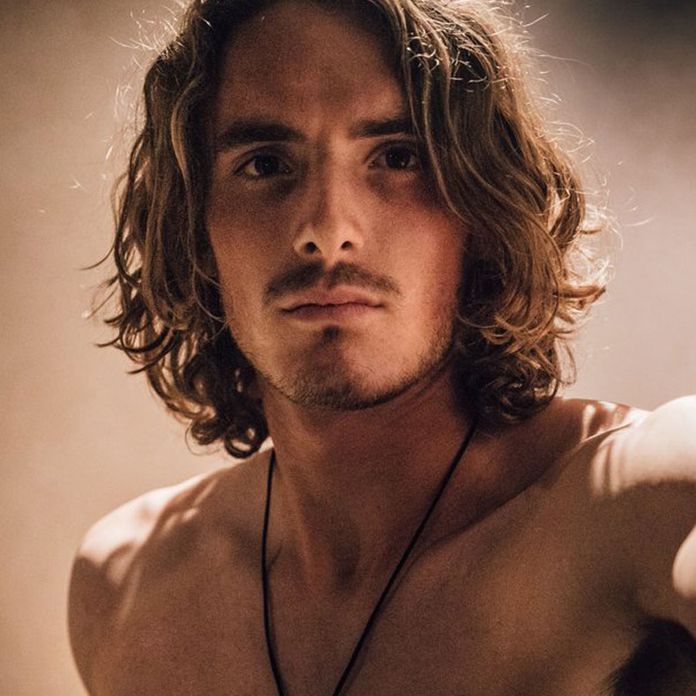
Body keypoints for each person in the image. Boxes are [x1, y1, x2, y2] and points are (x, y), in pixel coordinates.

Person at [68, 0, 696, 694]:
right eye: (266, 163)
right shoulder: (126, 587)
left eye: (397, 157)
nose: (326, 229)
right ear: (195, 230)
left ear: (482, 211)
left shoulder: (647, 501)